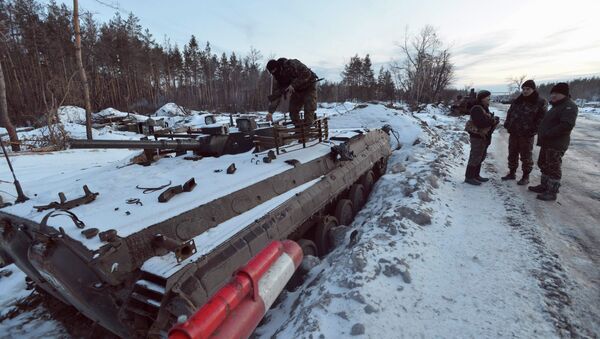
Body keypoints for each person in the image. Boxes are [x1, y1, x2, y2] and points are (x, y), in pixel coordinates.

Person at [528, 82, 578, 201]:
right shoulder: (557, 106)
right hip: (547, 142)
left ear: (564, 94)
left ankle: (552, 192)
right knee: (544, 164)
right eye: (552, 93)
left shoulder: (569, 106)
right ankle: (544, 186)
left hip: (556, 143)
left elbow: (566, 125)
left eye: (556, 93)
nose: (553, 96)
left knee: (554, 167)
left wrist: (548, 133)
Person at [501, 79, 547, 185]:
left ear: (533, 89)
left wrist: (533, 130)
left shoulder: (540, 102)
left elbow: (542, 119)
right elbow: (510, 112)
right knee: (512, 153)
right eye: (524, 89)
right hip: (514, 132)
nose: (525, 91)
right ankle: (512, 173)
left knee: (526, 156)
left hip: (527, 135)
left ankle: (526, 176)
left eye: (528, 89)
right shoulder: (518, 100)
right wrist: (507, 124)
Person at [266, 58, 319, 128]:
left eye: (274, 71)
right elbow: (277, 95)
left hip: (309, 86)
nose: (274, 74)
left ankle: (306, 133)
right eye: (272, 73)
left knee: (309, 109)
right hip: (297, 90)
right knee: (293, 111)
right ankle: (299, 130)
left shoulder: (292, 64)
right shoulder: (279, 78)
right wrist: (270, 112)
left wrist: (293, 85)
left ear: (277, 67)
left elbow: (307, 74)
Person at [464, 90, 500, 185]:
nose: (489, 99)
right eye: (487, 97)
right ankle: (469, 177)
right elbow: (481, 123)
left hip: (483, 136)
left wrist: (492, 120)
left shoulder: (484, 107)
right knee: (475, 156)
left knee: (481, 156)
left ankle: (476, 175)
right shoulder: (476, 108)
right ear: (482, 98)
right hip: (477, 136)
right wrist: (493, 120)